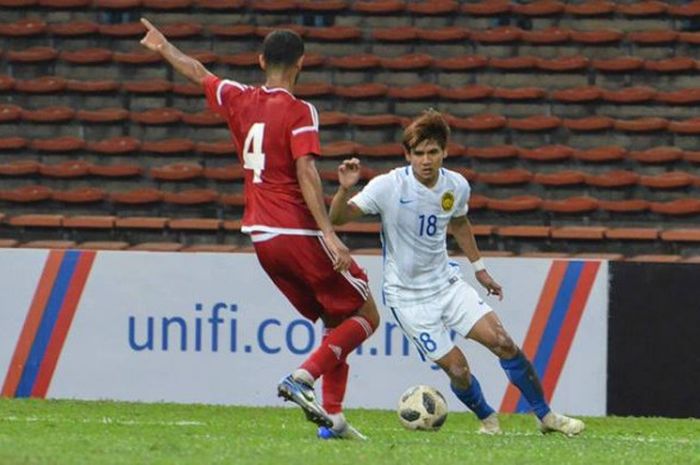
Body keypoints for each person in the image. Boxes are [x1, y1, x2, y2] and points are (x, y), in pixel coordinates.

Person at [139, 19, 379, 440]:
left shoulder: (238, 97)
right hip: (297, 232)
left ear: (261, 60)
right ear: (301, 63)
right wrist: (328, 231)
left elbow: (198, 71)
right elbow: (306, 170)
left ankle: (334, 418)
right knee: (366, 313)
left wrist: (163, 47)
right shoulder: (301, 110)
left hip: (261, 237)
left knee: (334, 315)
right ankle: (302, 379)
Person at [329, 109, 585, 436]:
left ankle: (545, 416)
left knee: (503, 342)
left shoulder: (456, 186)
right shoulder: (389, 186)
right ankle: (488, 419)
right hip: (407, 298)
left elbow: (459, 222)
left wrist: (480, 270)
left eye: (432, 152)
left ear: (444, 151)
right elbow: (338, 219)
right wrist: (343, 190)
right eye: (418, 153)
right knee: (459, 369)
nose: (425, 160)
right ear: (407, 155)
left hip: (447, 284)